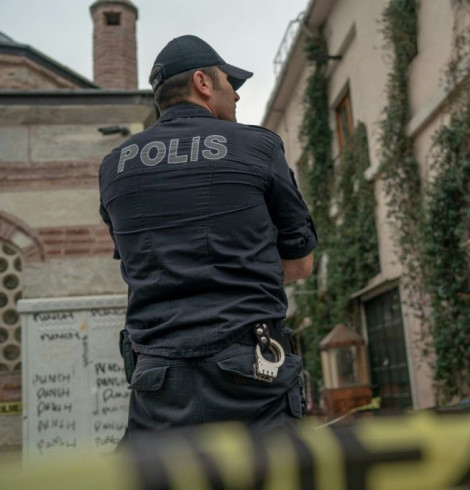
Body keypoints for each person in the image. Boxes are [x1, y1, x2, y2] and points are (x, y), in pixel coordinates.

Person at [98, 35, 317, 437]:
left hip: (157, 384)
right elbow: (301, 263)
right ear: (202, 82)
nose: (234, 95)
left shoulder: (115, 166)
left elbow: (137, 265)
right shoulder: (258, 147)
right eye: (229, 83)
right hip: (252, 377)